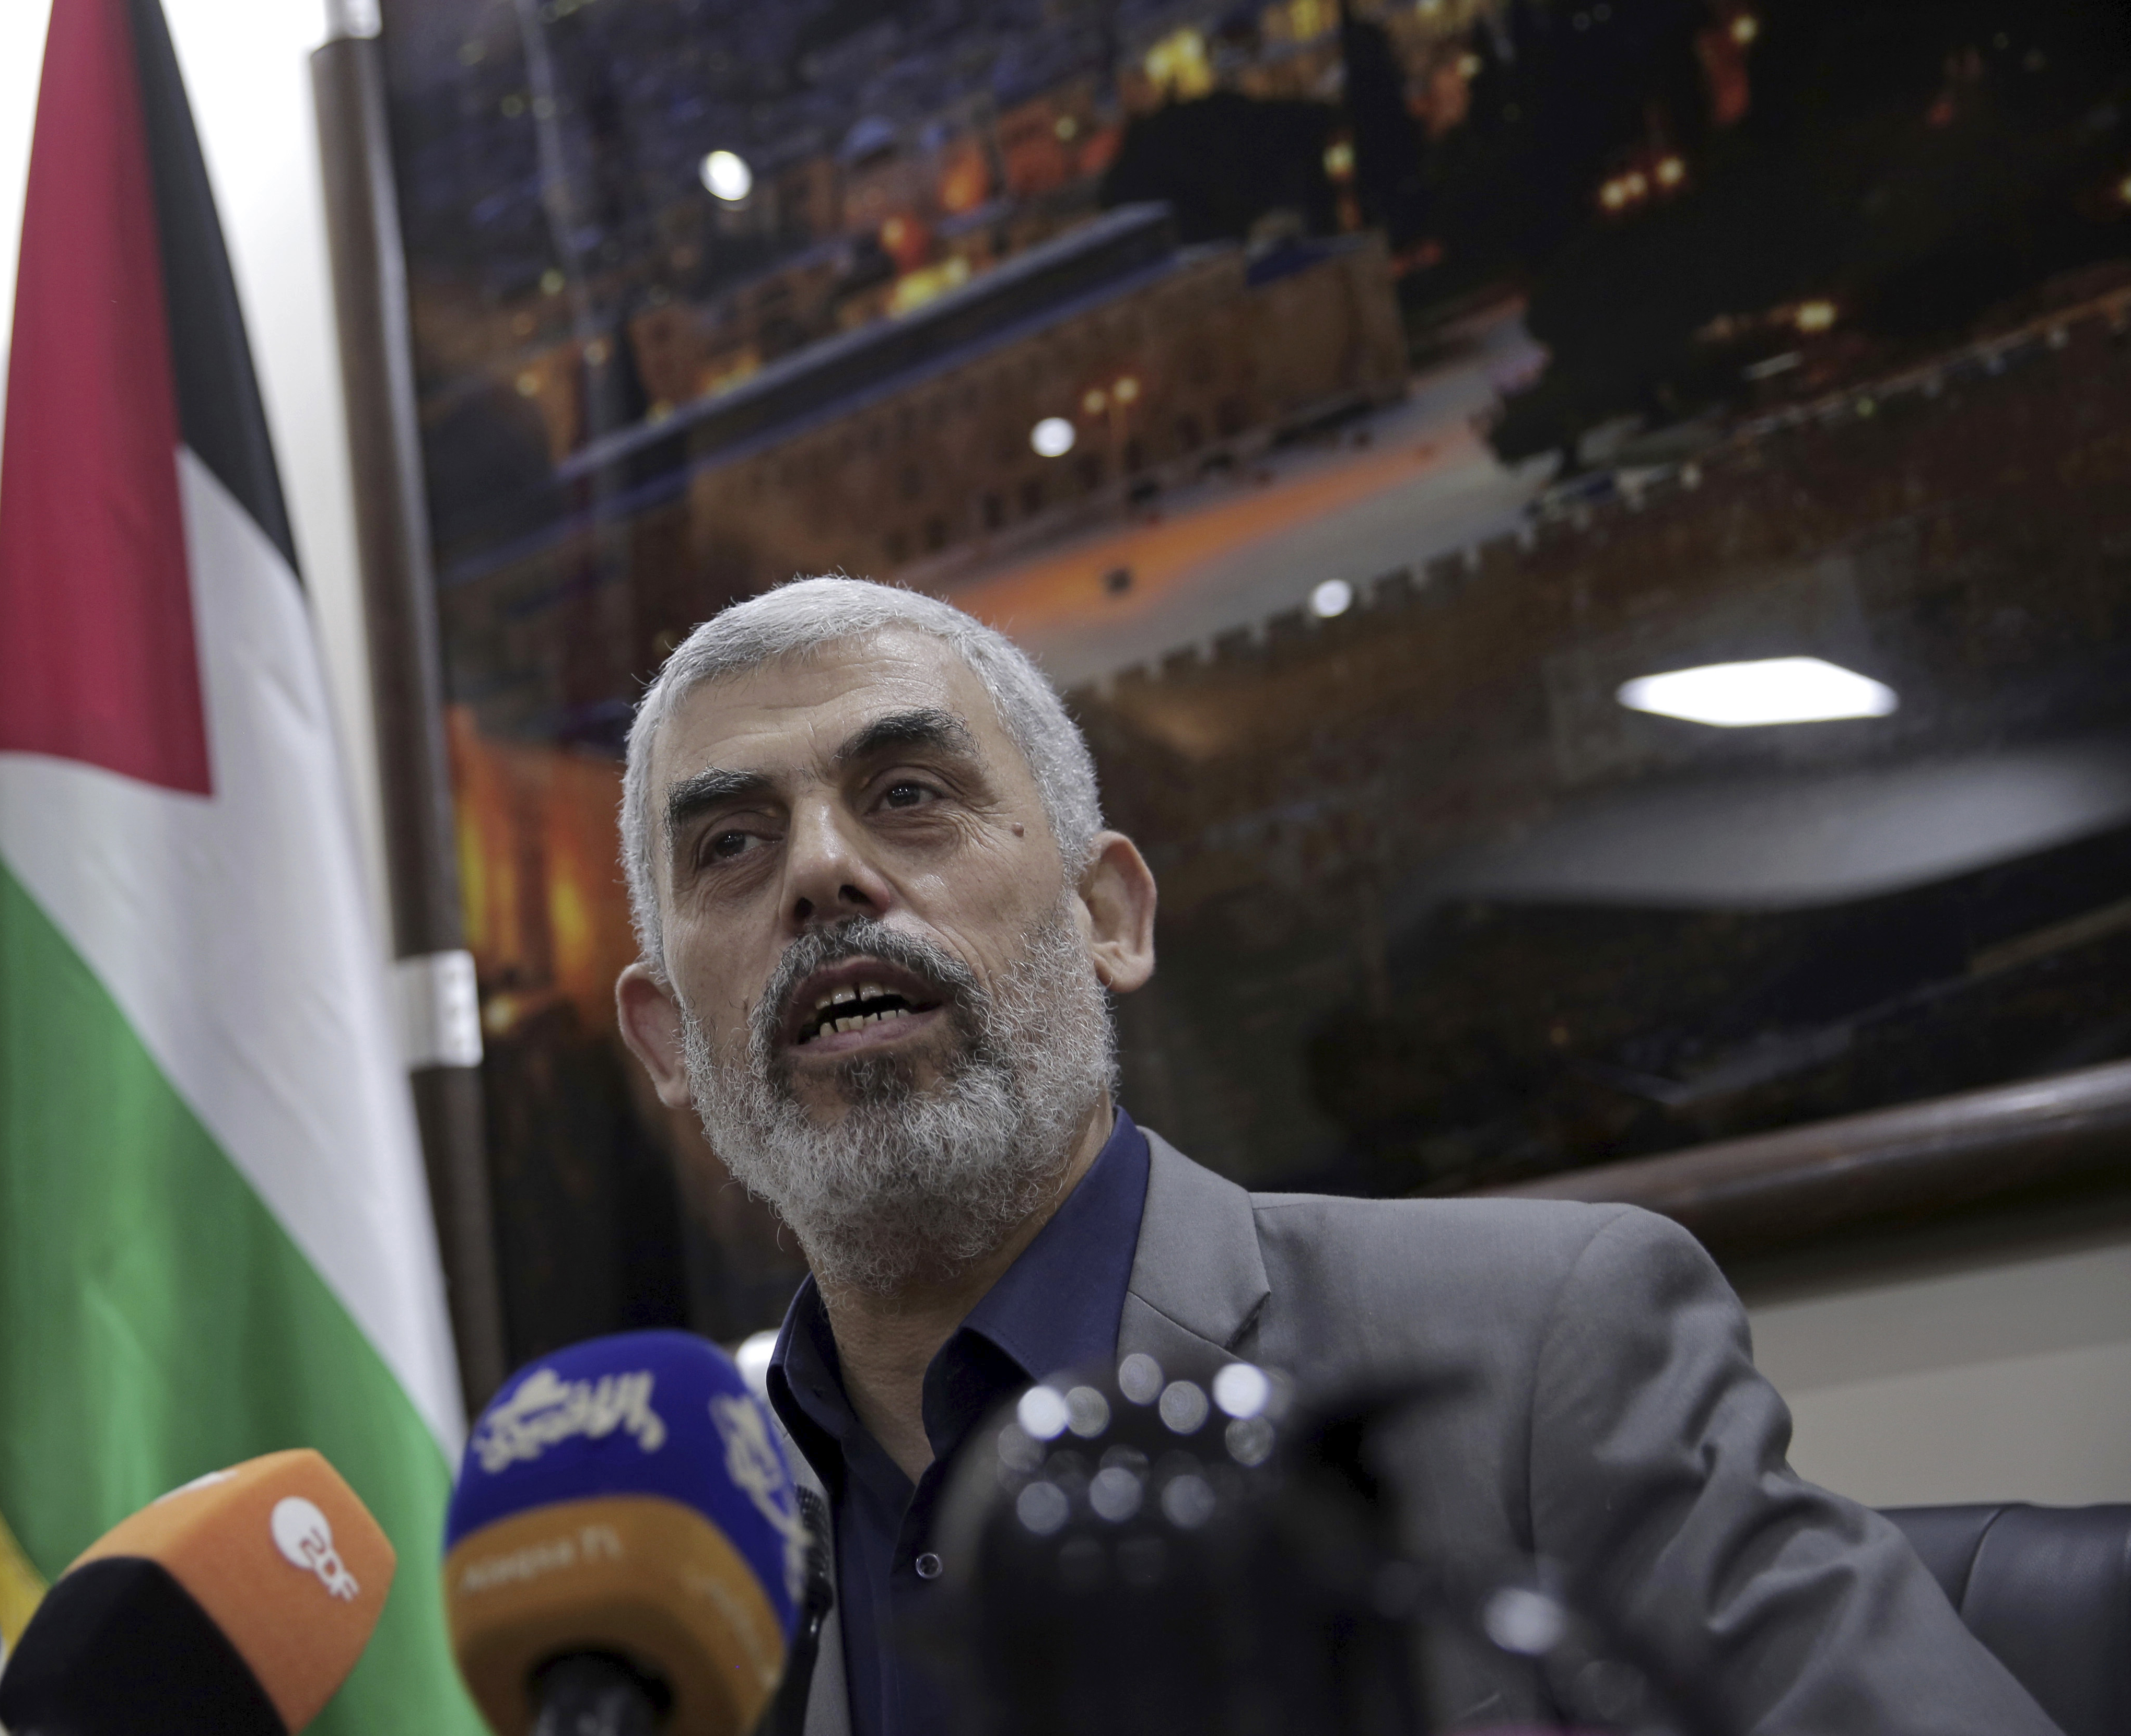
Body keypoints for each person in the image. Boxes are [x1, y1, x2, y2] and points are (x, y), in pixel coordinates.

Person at [608, 576, 2057, 1736]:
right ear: (670, 1040)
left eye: (908, 792)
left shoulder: (1543, 1340)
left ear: (1107, 914)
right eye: (729, 843)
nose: (819, 869)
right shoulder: (668, 1560)